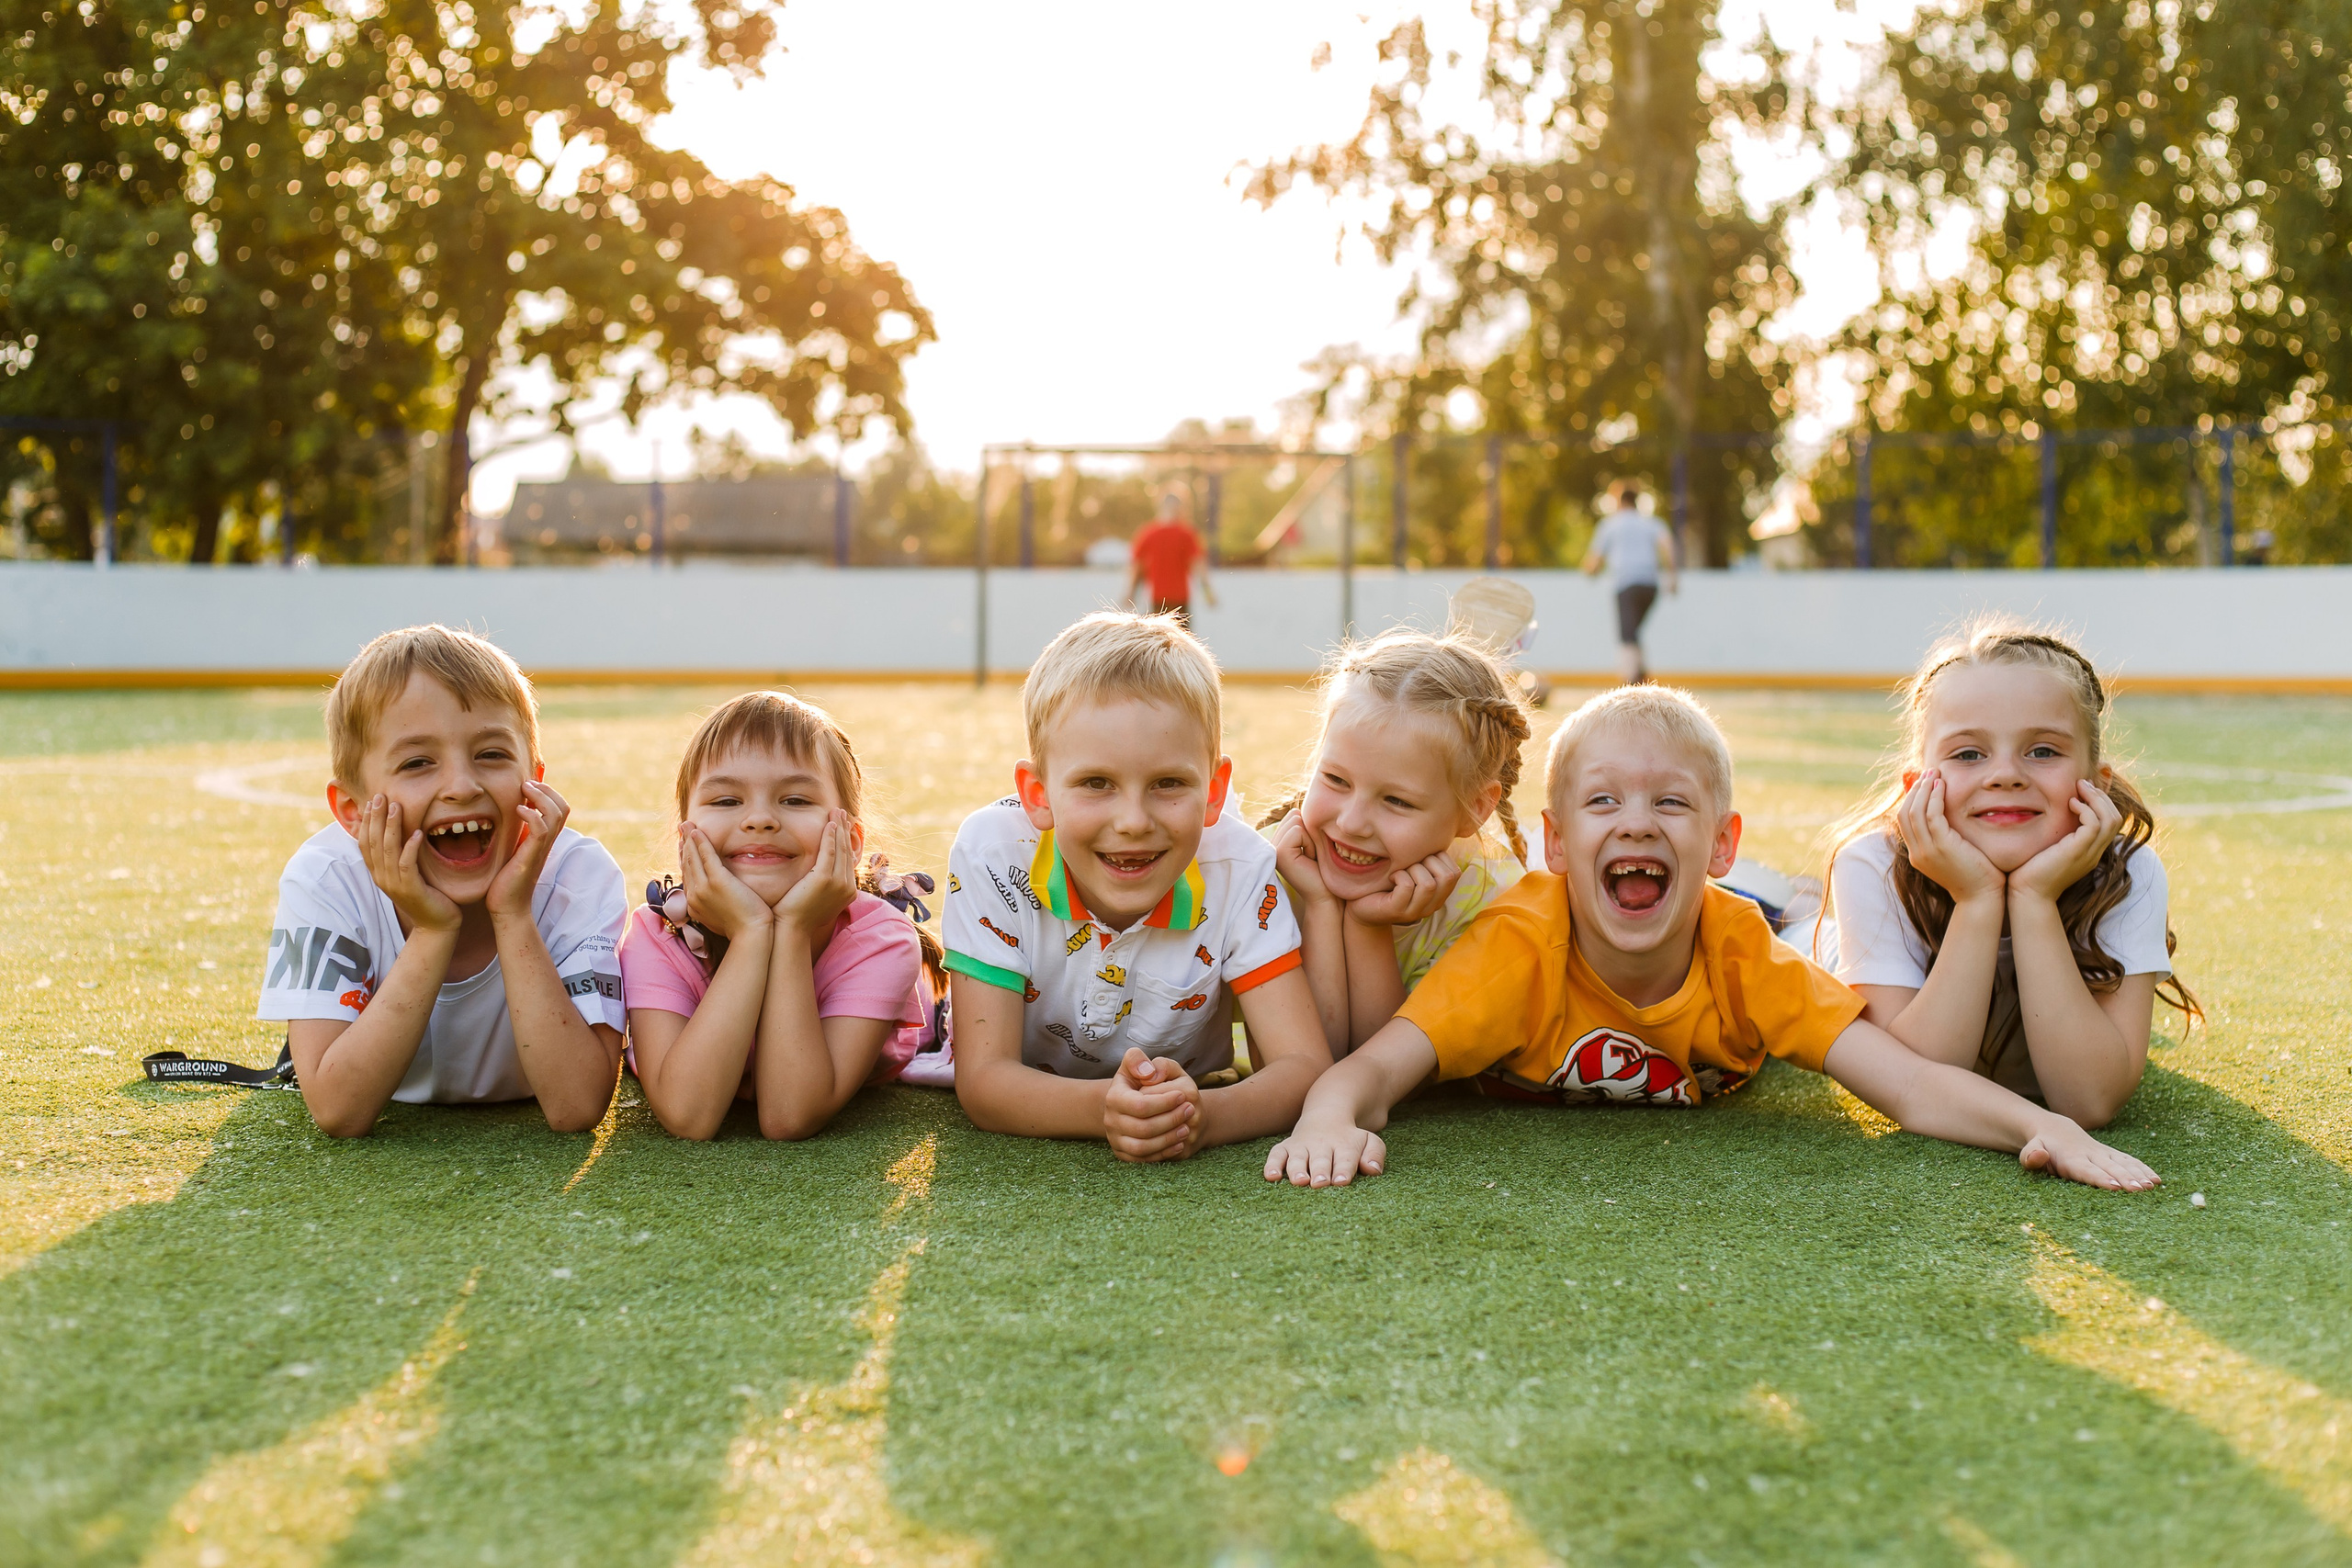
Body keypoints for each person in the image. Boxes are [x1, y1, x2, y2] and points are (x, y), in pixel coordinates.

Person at [1264, 682, 2162, 1192]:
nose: (1637, 823)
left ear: (1719, 843)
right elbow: (1366, 1074)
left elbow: (1916, 1089)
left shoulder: (1740, 955)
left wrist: (2040, 1125)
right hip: (1603, 923)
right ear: (1553, 843)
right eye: (1604, 802)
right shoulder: (1517, 945)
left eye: (1671, 804)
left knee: (1795, 928)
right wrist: (1329, 1119)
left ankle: (1799, 899)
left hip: (1765, 917)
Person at [943, 611, 1330, 1161]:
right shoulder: (993, 858)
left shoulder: (1241, 869)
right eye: (1096, 783)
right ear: (1037, 792)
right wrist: (1104, 1110)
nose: (1132, 821)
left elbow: (1304, 1066)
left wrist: (1200, 1118)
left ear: (1215, 790)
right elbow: (984, 1082)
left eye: (1168, 783)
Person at [1814, 622, 2198, 1129]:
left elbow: (2089, 1102)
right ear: (1917, 786)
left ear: (2096, 784)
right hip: (1818, 952)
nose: (2005, 774)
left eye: (2043, 751)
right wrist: (1976, 900)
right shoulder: (1872, 865)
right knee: (1789, 928)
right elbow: (1915, 1082)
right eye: (1968, 753)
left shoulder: (2130, 870)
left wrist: (2035, 898)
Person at [258, 625, 628, 1137]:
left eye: (492, 754)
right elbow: (338, 1110)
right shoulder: (326, 877)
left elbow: (577, 1106)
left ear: (535, 776)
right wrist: (433, 932)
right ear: (352, 810)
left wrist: (513, 914)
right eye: (417, 762)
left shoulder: (578, 876)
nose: (460, 786)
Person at [618, 692, 937, 1141]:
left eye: (796, 800)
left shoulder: (881, 939)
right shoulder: (659, 934)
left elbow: (789, 1115)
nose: (760, 819)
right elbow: (688, 1115)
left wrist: (790, 929)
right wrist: (751, 932)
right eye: (726, 801)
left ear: (851, 839)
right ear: (684, 837)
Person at [1258, 629, 1532, 1055]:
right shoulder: (1265, 871)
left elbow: (1379, 1069)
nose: (1351, 823)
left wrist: (1369, 927)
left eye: (1397, 801)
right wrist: (1321, 906)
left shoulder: (1491, 908)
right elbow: (1298, 1064)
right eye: (1335, 779)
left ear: (1475, 809)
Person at [1580, 480, 1678, 683]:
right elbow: (1668, 546)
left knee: (1627, 635)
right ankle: (1642, 675)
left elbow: (1594, 561)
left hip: (1626, 584)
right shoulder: (1650, 523)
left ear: (1618, 500)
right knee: (1634, 632)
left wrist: (1590, 570)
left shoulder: (1610, 525)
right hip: (1650, 586)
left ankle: (1630, 680)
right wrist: (1672, 576)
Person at [1125, 493, 1216, 626]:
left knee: (1157, 642)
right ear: (1179, 508)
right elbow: (1198, 565)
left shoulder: (1148, 533)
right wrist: (1208, 593)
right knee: (1181, 642)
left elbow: (1138, 568)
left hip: (1157, 599)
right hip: (1180, 600)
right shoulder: (1187, 533)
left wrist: (1131, 593)